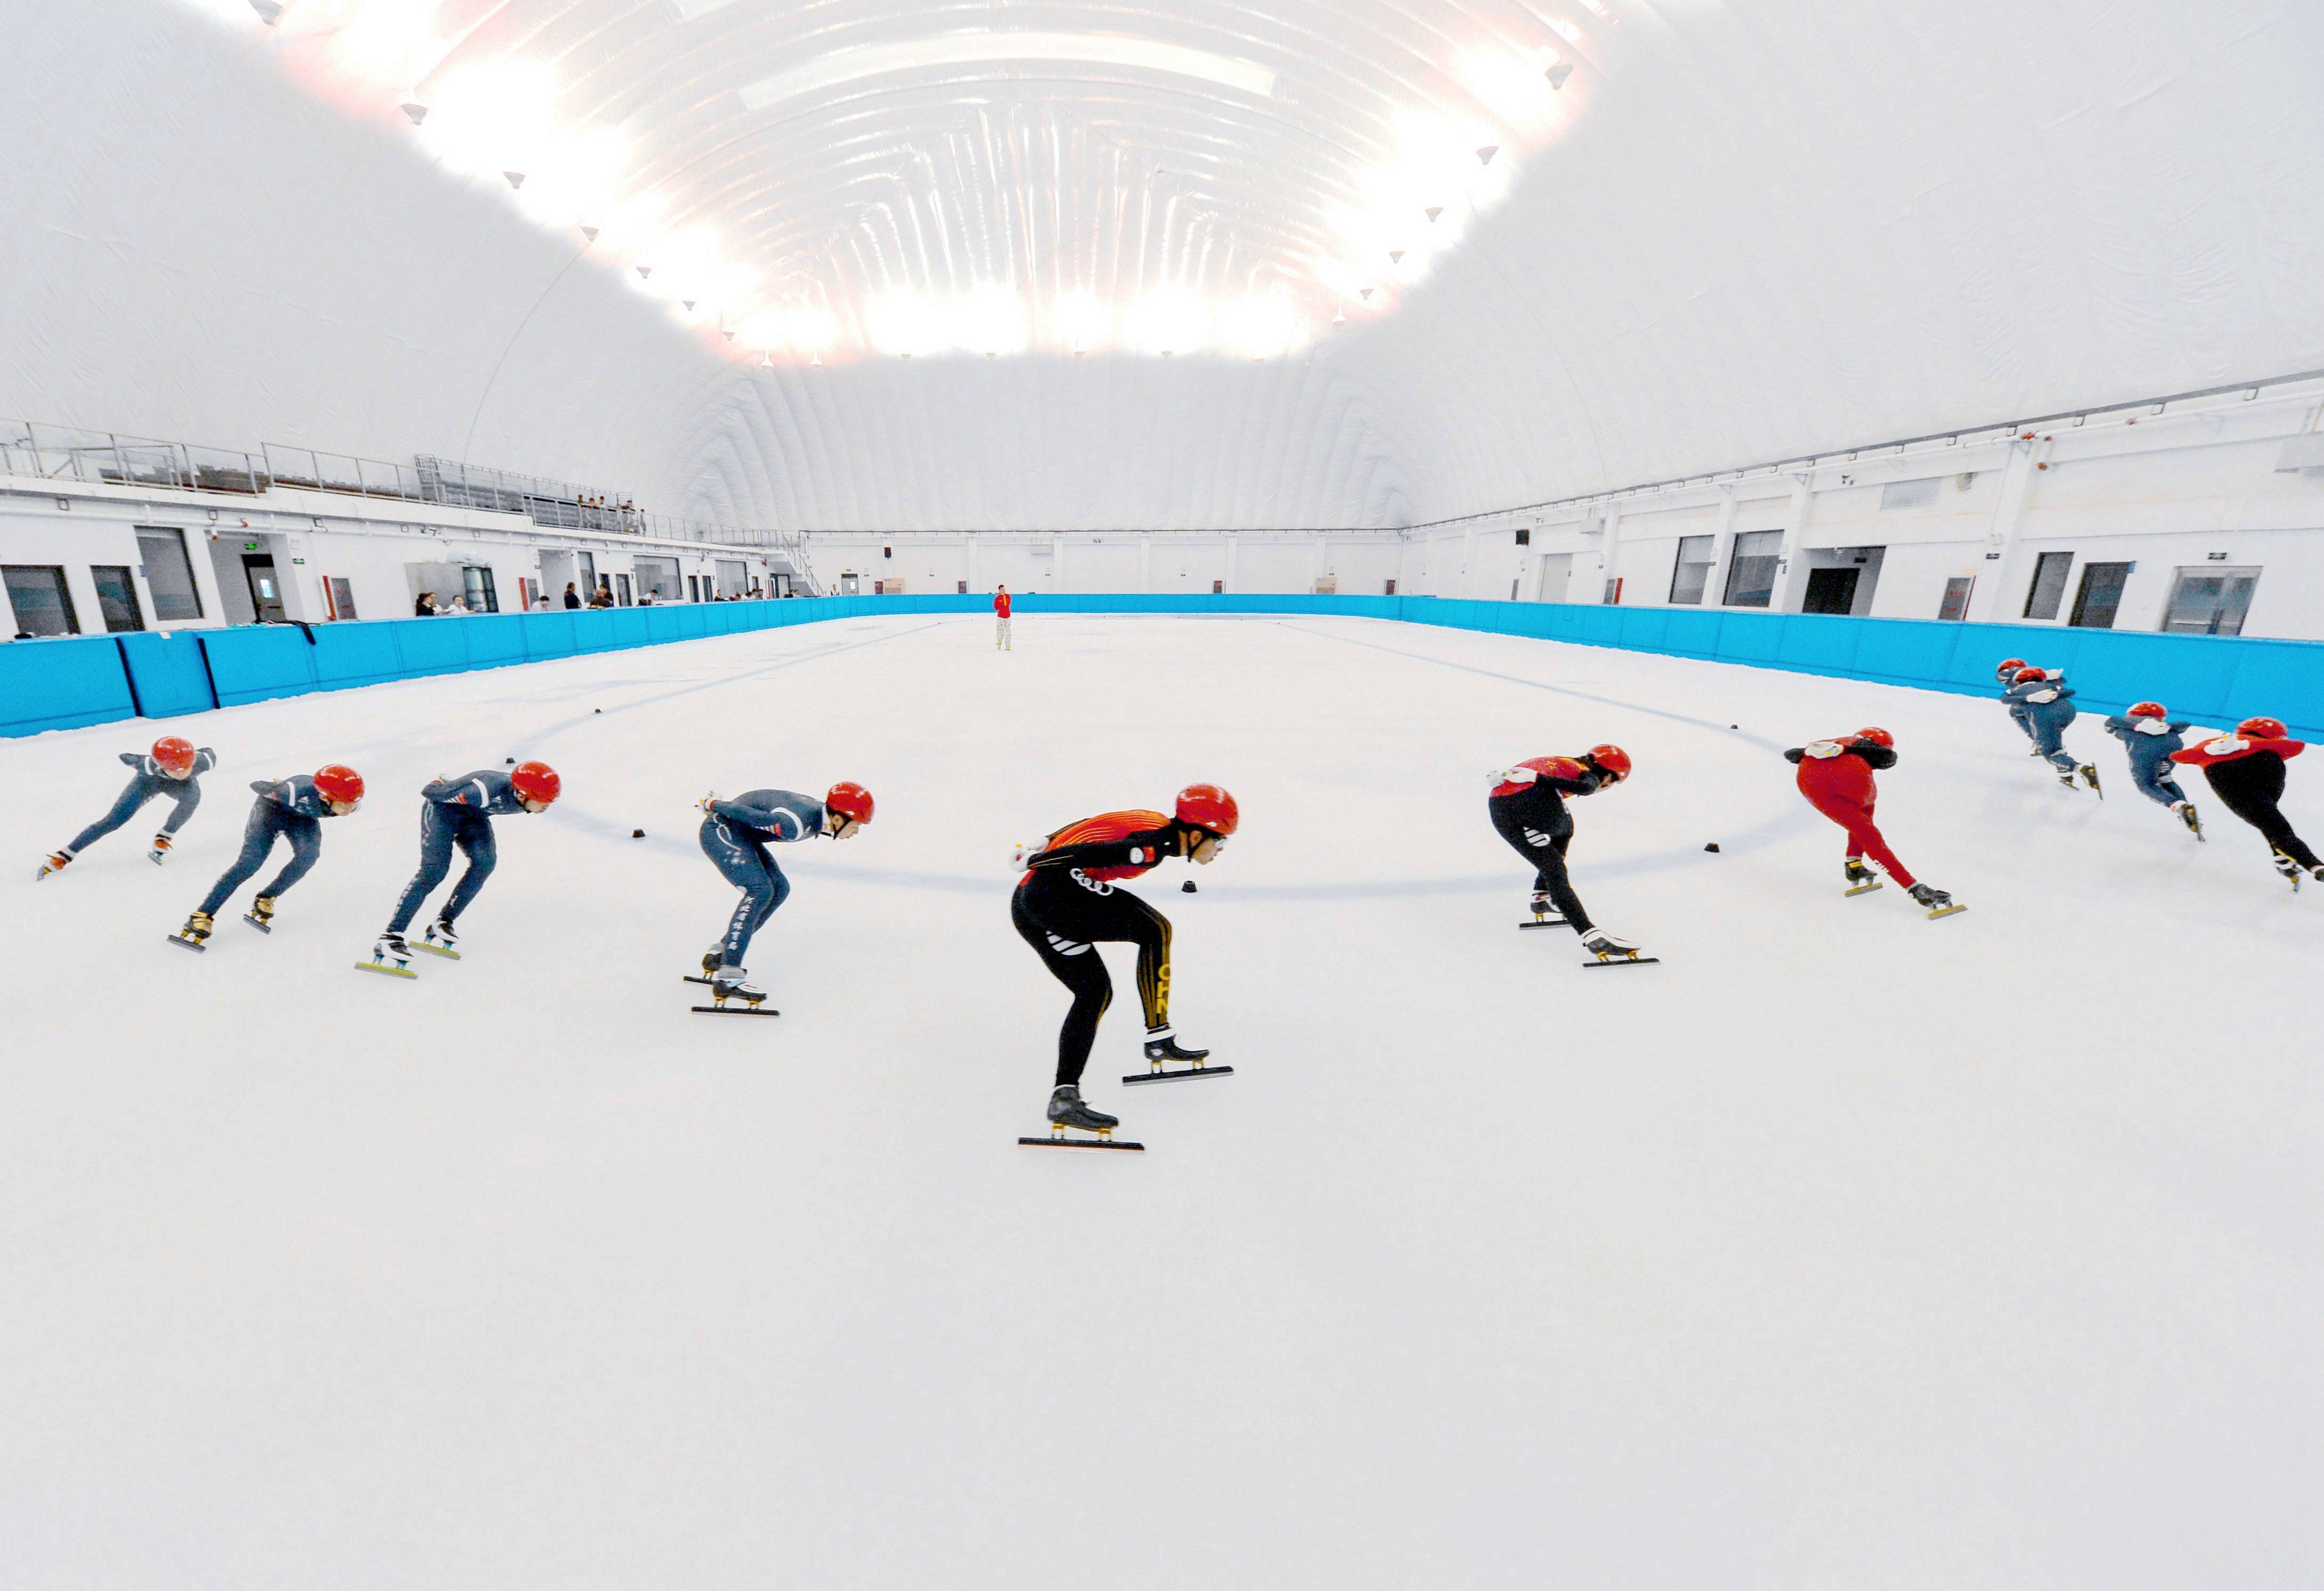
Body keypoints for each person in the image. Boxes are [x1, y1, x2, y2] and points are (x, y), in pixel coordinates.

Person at [1013, 784, 1238, 1137]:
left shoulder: (1155, 823)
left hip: (1029, 904)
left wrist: (1044, 840)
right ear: (1196, 835)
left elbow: (1093, 822)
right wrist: (1038, 859)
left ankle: (1064, 1096)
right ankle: (1158, 1038)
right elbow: (1088, 852)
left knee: (1095, 993)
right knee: (1156, 930)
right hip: (1052, 896)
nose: (1221, 850)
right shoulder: (1149, 849)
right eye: (1221, 841)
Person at [693, 781, 875, 1006]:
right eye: (856, 825)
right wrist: (715, 804)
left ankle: (722, 953)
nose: (856, 831)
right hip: (720, 831)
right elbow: (750, 816)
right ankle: (729, 975)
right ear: (839, 818)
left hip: (741, 835)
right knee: (759, 891)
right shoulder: (795, 824)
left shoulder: (817, 817)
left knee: (779, 889)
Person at [368, 761, 561, 970]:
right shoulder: (484, 790)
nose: (546, 807)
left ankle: (443, 922)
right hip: (442, 813)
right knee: (434, 871)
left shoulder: (521, 797)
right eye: (542, 802)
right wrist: (439, 783)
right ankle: (390, 937)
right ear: (523, 794)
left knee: (485, 864)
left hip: (474, 817)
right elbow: (432, 793)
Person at [169, 764, 364, 949]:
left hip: (302, 818)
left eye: (353, 805)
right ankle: (202, 915)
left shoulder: (349, 801)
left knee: (309, 856)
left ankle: (267, 897)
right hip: (271, 811)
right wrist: (275, 788)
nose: (349, 810)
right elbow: (256, 785)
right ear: (324, 797)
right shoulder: (294, 791)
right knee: (250, 863)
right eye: (344, 805)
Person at [1784, 728, 1958, 915]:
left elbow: (1792, 754)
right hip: (1843, 779)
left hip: (1809, 780)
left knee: (1859, 822)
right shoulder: (1868, 752)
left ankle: (1854, 866)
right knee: (1868, 830)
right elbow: (1883, 766)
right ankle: (1917, 890)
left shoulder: (1842, 741)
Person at [1488, 745, 1640, 957]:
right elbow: (1586, 788)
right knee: (1565, 834)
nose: (1605, 787)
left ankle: (1542, 896)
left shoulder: (1561, 762)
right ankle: (1593, 936)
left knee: (1553, 866)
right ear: (1607, 774)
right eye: (1611, 783)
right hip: (1530, 802)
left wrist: (1535, 779)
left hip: (1499, 810)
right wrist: (1539, 779)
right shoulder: (1585, 771)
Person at [2171, 717, 2319, 885]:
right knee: (2270, 816)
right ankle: (2302, 861)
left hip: (2219, 768)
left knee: (2266, 818)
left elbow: (2179, 756)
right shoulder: (2270, 746)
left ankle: (2297, 860)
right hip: (2267, 759)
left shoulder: (2213, 742)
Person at [39, 736, 217, 877]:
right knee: (114, 821)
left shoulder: (204, 761)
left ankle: (165, 836)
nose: (182, 773)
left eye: (187, 768)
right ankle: (66, 854)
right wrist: (139, 760)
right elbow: (125, 757)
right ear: (162, 765)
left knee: (192, 799)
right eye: (176, 770)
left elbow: (208, 750)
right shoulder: (147, 765)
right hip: (147, 784)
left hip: (182, 788)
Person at [2103, 701, 2202, 836]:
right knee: (2165, 778)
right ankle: (2187, 808)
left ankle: (2179, 806)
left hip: (2145, 747)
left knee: (2146, 785)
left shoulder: (2129, 721)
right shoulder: (2166, 725)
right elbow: (2184, 725)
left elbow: (2110, 722)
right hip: (2173, 744)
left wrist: (2136, 727)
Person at [2002, 666, 2099, 792]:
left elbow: (2004, 699)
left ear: (2019, 681)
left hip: (2044, 717)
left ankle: (2080, 769)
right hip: (2068, 711)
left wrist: (2029, 698)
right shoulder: (2048, 686)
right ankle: (2065, 774)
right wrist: (2054, 693)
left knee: (2050, 753)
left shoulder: (2016, 689)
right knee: (2054, 740)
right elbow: (2070, 692)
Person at [994, 585, 1012, 650]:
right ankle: (999, 644)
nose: (1003, 591)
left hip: (1008, 616)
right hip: (1001, 617)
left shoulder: (1008, 597)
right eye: (1002, 590)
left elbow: (1009, 603)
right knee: (1000, 631)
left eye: (1004, 589)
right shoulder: (997, 599)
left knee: (1008, 631)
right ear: (999, 591)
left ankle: (1008, 644)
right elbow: (996, 607)